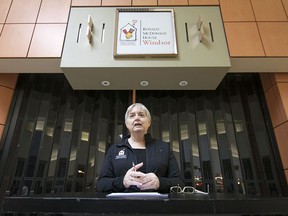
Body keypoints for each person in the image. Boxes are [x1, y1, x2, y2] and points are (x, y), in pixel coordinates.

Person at [96, 103, 185, 193]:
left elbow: (180, 183)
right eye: (132, 115)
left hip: (157, 205)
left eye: (141, 115)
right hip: (122, 205)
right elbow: (101, 184)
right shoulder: (114, 150)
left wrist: (160, 183)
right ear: (127, 123)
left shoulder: (164, 148)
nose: (137, 118)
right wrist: (122, 182)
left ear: (149, 122)